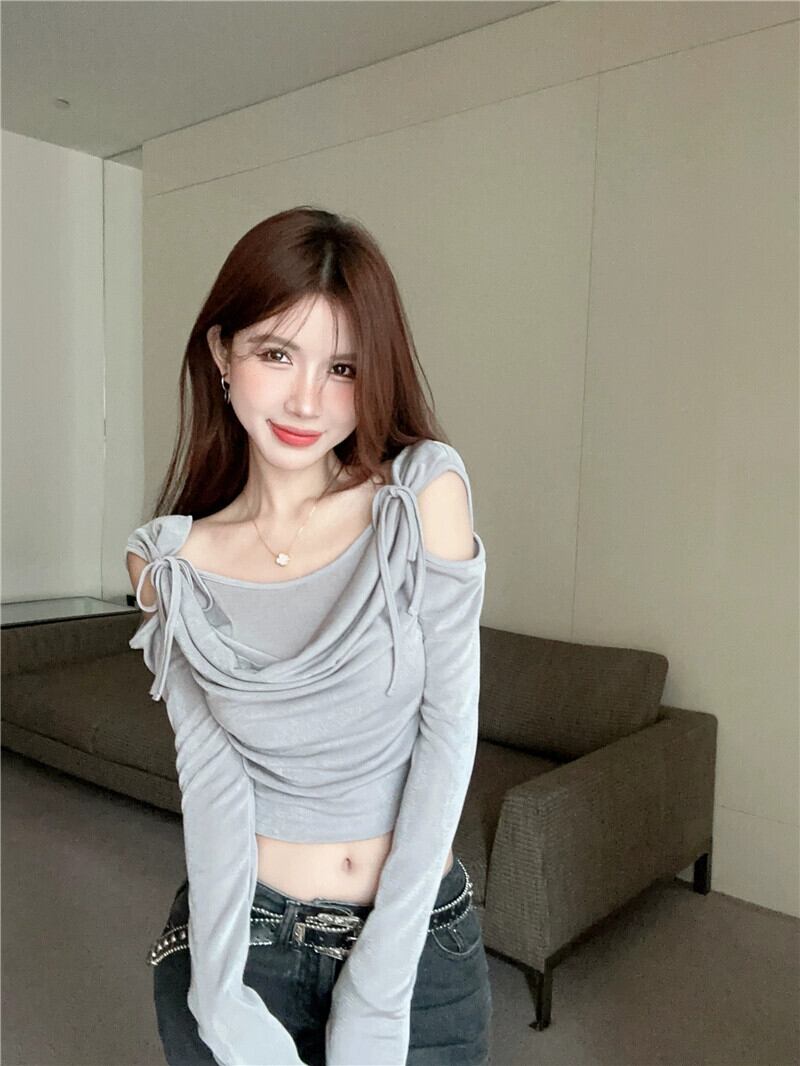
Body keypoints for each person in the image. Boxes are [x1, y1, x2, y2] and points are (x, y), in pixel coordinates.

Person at [125, 206, 491, 1066]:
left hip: (415, 943)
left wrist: (378, 988)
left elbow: (447, 734)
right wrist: (218, 990)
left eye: (342, 368)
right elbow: (210, 776)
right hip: (244, 940)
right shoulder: (170, 564)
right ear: (222, 353)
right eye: (276, 354)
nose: (305, 401)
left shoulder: (421, 497)